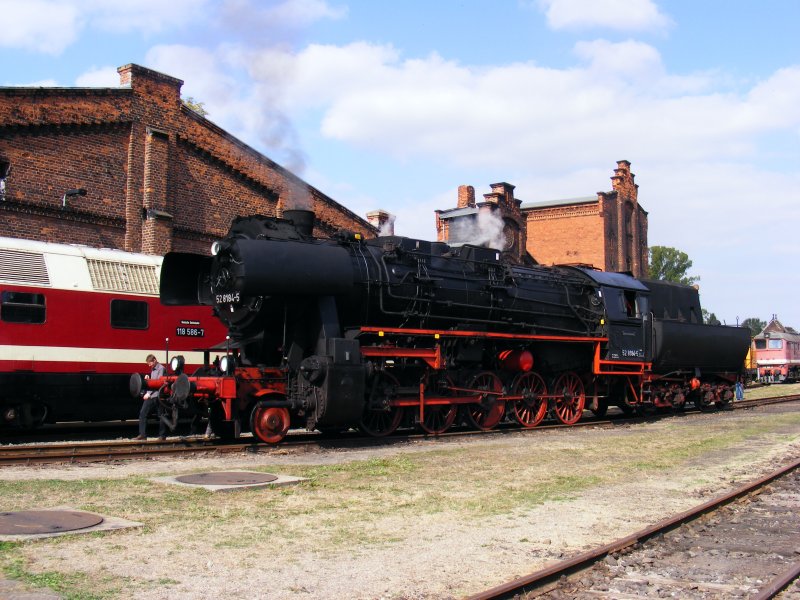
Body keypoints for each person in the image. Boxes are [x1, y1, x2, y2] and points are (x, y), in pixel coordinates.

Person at [135, 354, 167, 440]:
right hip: (152, 395)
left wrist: (148, 393)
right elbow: (153, 382)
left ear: (155, 360)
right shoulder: (153, 369)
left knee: (161, 415)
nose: (149, 365)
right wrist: (148, 380)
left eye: (150, 363)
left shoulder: (161, 369)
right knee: (143, 413)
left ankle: (162, 435)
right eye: (148, 364)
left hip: (157, 395)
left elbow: (158, 383)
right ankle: (143, 434)